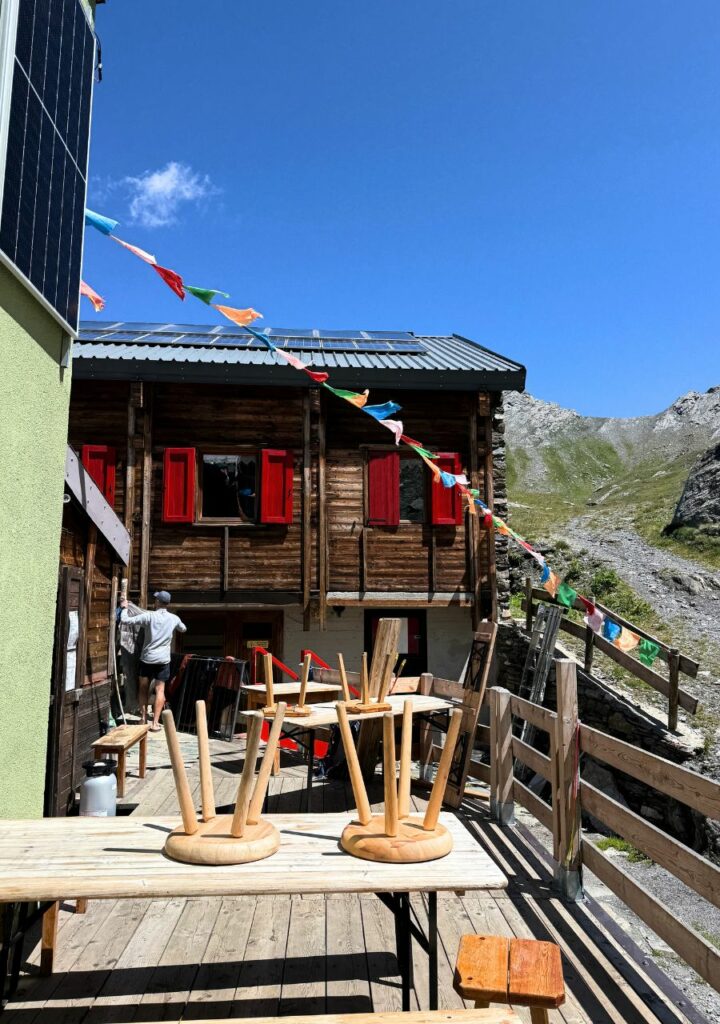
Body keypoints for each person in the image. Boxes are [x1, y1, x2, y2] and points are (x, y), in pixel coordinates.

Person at [119, 590, 186, 731]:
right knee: (160, 690)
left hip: (147, 659)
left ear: (157, 602)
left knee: (143, 688)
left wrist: (124, 608)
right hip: (163, 661)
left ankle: (143, 718)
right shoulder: (174, 618)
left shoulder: (149, 616)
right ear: (167, 603)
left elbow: (126, 621)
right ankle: (155, 723)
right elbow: (183, 629)